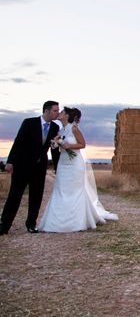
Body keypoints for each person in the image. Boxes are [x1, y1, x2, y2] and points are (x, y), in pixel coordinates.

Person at [39, 107, 118, 232]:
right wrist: (55, 143)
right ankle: (56, 221)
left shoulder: (74, 129)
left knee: (75, 191)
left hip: (75, 164)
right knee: (60, 190)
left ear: (67, 116)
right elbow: (57, 144)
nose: (59, 113)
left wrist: (68, 145)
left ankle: (77, 221)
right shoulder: (61, 130)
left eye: (62, 112)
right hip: (63, 163)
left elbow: (83, 144)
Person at [0, 100, 60, 235]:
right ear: (46, 111)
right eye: (55, 110)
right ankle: (4, 225)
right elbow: (18, 141)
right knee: (15, 195)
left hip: (40, 167)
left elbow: (54, 150)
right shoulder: (29, 123)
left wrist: (57, 167)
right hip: (22, 166)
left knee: (36, 196)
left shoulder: (55, 128)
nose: (57, 113)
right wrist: (10, 161)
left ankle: (31, 224)